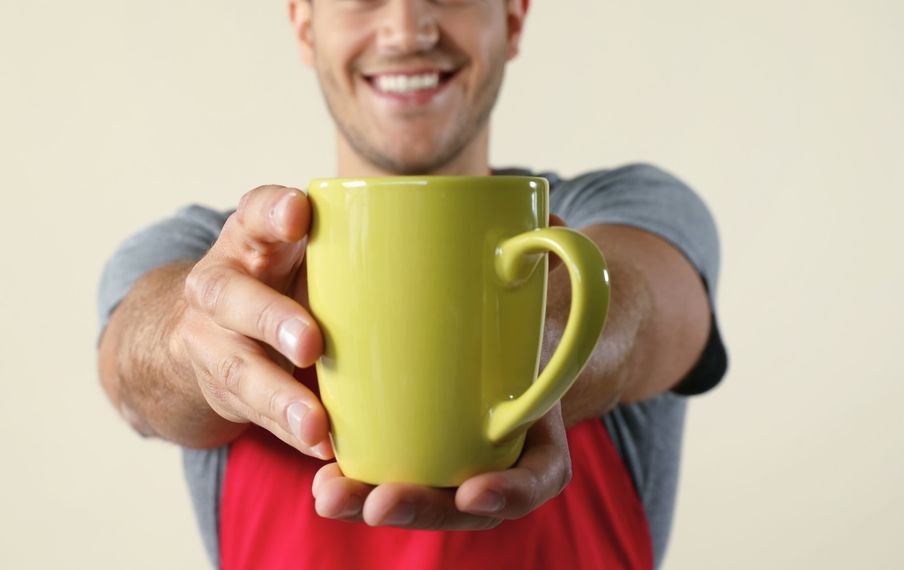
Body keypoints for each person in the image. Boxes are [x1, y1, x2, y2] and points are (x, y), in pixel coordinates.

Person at [96, 1, 728, 568]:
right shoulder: (214, 253)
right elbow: (133, 360)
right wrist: (192, 343)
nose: (406, 28)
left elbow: (641, 309)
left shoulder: (634, 205)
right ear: (304, 23)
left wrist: (520, 372)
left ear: (512, 18)